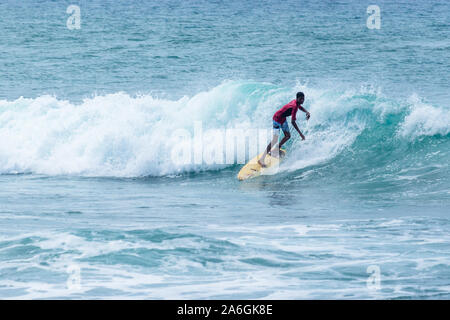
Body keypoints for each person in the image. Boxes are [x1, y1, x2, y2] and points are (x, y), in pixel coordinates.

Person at [258, 92, 310, 167]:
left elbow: (300, 107)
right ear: (297, 98)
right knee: (274, 140)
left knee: (288, 136)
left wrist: (306, 112)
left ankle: (275, 150)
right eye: (301, 99)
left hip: (282, 119)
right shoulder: (294, 106)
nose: (302, 100)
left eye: (303, 99)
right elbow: (293, 122)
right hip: (277, 119)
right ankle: (261, 159)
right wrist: (301, 134)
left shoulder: (296, 103)